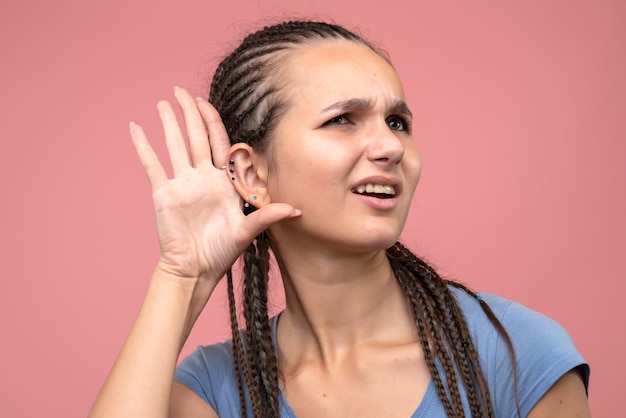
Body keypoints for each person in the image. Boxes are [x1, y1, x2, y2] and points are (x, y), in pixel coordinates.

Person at [89, 21, 590, 417]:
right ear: (250, 173)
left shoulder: (516, 352)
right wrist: (182, 275)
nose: (392, 146)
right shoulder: (214, 391)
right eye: (342, 119)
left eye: (398, 122)